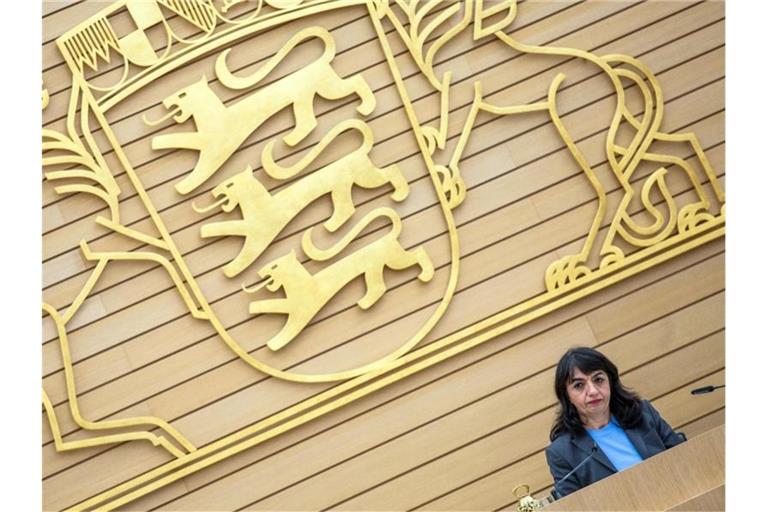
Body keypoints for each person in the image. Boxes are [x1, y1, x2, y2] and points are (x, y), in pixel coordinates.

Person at [545, 347, 686, 499]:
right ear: (566, 396)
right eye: (579, 385)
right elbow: (575, 506)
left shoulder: (643, 413)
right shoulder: (561, 452)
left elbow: (683, 457)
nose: (593, 391)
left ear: (610, 382)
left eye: (598, 380)